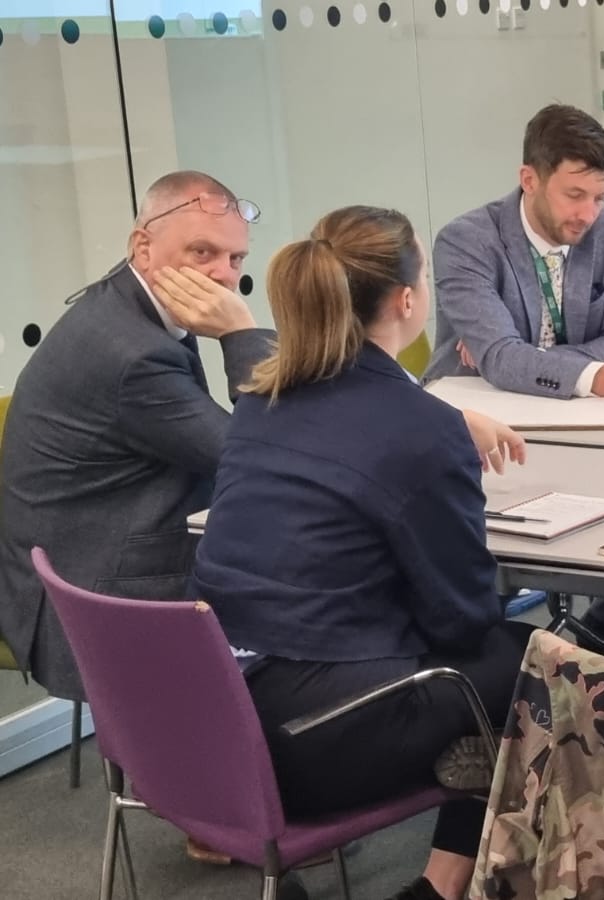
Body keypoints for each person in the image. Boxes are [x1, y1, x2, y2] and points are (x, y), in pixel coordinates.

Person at [190, 206, 529, 900]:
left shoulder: (264, 397)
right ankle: (443, 884)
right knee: (534, 664)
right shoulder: (424, 432)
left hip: (212, 728)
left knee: (477, 683)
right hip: (311, 743)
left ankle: (445, 863)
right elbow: (462, 620)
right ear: (407, 299)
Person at [0, 172, 274, 866]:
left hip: (81, 552)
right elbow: (255, 461)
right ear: (142, 247)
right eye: (202, 253)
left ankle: (212, 788)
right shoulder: (133, 352)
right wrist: (240, 334)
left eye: (237, 259)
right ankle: (228, 805)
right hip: (88, 597)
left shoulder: (126, 305)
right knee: (310, 589)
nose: (222, 276)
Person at [425, 103, 604, 660]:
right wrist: (600, 374)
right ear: (529, 180)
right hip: (482, 435)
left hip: (571, 424)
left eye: (600, 195)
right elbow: (499, 357)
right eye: (574, 194)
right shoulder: (467, 240)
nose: (589, 212)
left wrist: (529, 357)